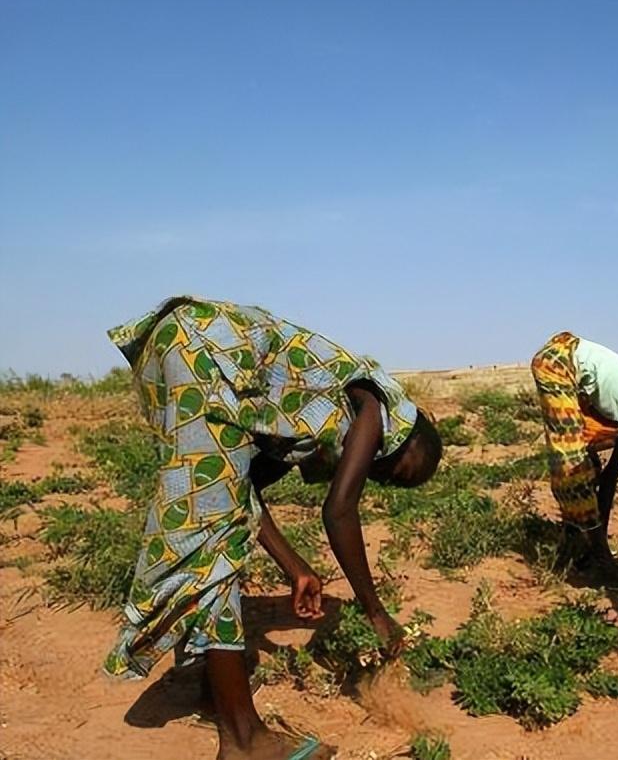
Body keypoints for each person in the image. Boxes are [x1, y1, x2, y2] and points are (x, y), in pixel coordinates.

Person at [103, 296, 441, 760]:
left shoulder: (293, 417)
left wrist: (296, 568)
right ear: (411, 432)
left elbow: (244, 490)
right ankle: (244, 740)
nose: (383, 473)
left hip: (187, 347)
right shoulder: (372, 407)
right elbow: (339, 511)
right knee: (214, 540)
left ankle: (212, 685)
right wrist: (376, 613)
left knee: (219, 523)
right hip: (208, 353)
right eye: (402, 468)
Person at [530, 332, 618, 569]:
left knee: (588, 464)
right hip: (557, 364)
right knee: (574, 468)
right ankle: (598, 554)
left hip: (569, 359)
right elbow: (609, 480)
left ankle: (577, 542)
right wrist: (601, 538)